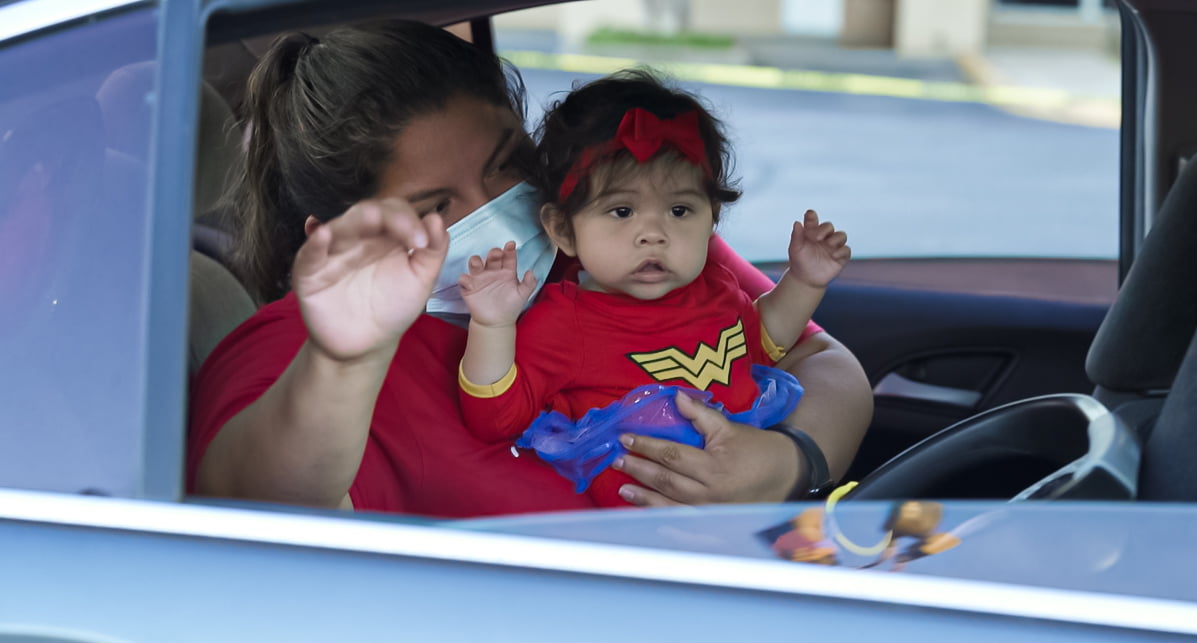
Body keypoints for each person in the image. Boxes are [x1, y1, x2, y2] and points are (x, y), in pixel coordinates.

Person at [188, 19, 873, 517]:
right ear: (348, 234)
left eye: (508, 166)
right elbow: (257, 507)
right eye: (436, 205)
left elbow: (821, 357)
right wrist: (342, 361)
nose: (501, 213)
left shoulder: (610, 241)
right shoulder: (308, 350)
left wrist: (789, 462)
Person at [456, 71, 850, 507]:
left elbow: (756, 346)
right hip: (644, 524)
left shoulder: (714, 286)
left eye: (679, 210)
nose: (653, 234)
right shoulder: (565, 322)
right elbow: (496, 417)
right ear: (563, 231)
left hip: (748, 501)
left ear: (712, 218)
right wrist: (492, 325)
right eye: (622, 211)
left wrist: (804, 280)